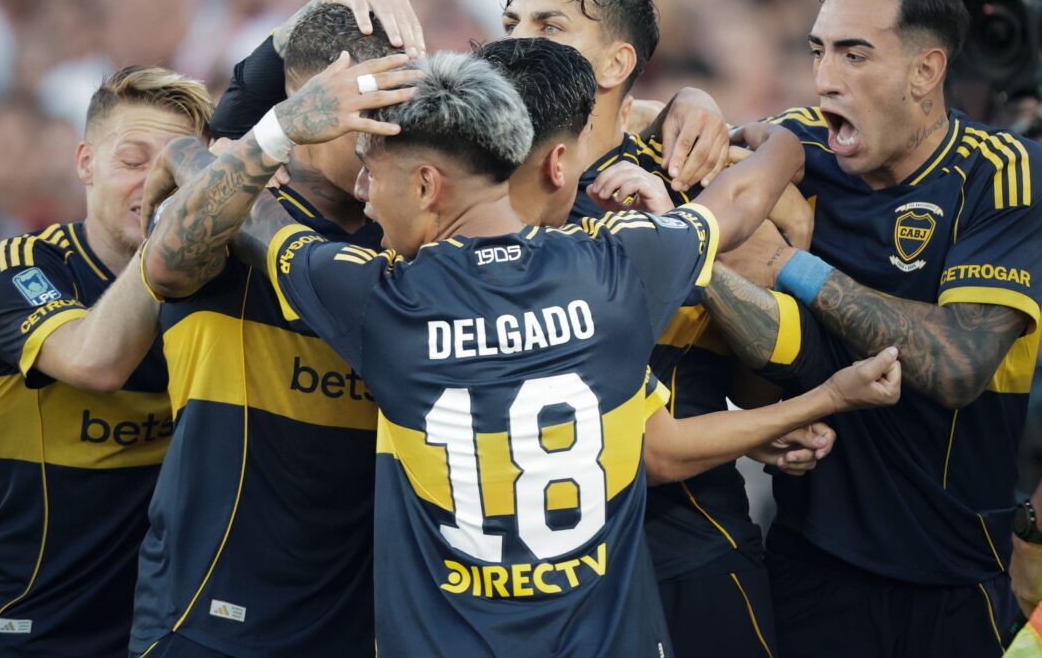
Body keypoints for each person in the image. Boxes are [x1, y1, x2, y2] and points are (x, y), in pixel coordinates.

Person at [143, 49, 901, 655]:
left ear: (430, 183)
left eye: (377, 174)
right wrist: (774, 141)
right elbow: (740, 199)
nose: (367, 197)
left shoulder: (381, 301)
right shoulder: (615, 267)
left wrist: (220, 139)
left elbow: (239, 213)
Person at [655, 0, 1042, 655]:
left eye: (855, 55)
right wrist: (692, 104)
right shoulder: (799, 145)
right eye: (818, 50)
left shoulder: (1005, 173)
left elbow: (959, 363)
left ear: (926, 70)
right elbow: (641, 135)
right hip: (813, 561)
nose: (825, 78)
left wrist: (793, 268)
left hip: (955, 575)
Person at [501, 0, 815, 655]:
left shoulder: (697, 176)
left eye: (549, 24)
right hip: (521, 573)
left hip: (690, 551)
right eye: (511, 22)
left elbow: (769, 374)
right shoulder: (471, 184)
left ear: (616, 63)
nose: (519, 40)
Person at [127, 4, 411, 658]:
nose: (385, 131)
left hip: (355, 630)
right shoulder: (219, 210)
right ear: (308, 105)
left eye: (397, 104)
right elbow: (166, 266)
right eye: (365, 109)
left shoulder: (409, 236)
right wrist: (269, 136)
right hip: (207, 623)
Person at [0, 66, 213, 656]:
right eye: (133, 161)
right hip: (32, 631)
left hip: (162, 635)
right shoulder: (18, 267)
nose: (154, 185)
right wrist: (173, 234)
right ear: (85, 162)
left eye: (175, 166)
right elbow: (95, 361)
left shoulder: (214, 289)